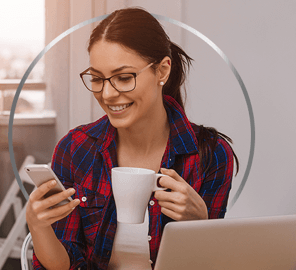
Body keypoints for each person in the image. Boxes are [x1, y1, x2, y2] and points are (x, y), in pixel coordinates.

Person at [27, 7, 239, 270]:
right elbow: (66, 264)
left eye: (124, 78)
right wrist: (38, 226)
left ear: (162, 71)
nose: (107, 94)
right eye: (97, 79)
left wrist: (200, 224)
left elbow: (209, 264)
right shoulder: (75, 149)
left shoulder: (210, 154)